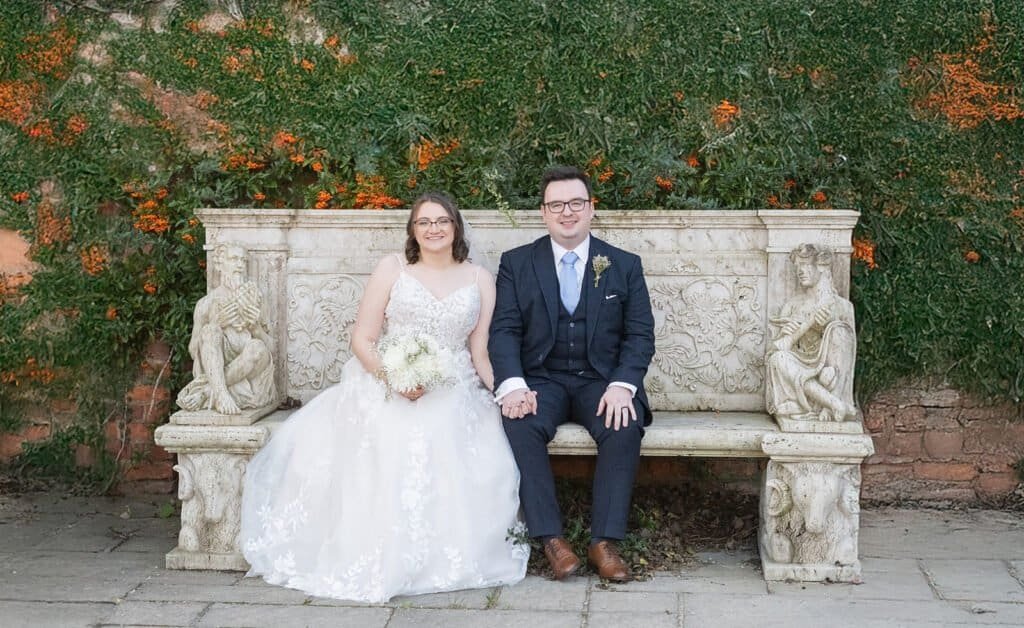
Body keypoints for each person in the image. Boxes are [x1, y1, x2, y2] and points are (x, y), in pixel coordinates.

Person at [240, 192, 528, 603]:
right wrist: (394, 379)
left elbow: (479, 350)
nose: (434, 229)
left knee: (452, 432)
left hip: (453, 385)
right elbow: (364, 338)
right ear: (413, 230)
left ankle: (442, 554)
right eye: (424, 222)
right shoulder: (392, 268)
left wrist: (505, 390)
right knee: (390, 434)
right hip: (387, 377)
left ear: (456, 227)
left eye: (442, 221)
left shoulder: (480, 278)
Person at [489, 166, 656, 582]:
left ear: (591, 209)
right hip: (541, 380)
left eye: (576, 203)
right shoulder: (517, 263)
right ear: (544, 212)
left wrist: (622, 386)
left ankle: (604, 541)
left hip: (600, 381)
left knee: (624, 424)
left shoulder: (623, 264)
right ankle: (551, 539)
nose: (567, 212)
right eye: (557, 204)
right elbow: (504, 330)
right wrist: (512, 385)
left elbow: (640, 334)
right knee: (520, 423)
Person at [176, 243, 276, 415]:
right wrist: (217, 323)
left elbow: (272, 348)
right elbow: (194, 350)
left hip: (252, 362)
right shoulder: (206, 303)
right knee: (210, 331)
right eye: (233, 259)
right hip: (221, 357)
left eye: (243, 261)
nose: (239, 265)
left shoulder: (257, 298)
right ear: (219, 264)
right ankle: (221, 395)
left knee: (257, 347)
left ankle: (207, 391)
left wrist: (257, 329)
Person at [765, 244, 857, 423]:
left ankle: (831, 401)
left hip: (829, 369)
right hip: (800, 364)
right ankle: (833, 403)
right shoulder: (792, 305)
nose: (800, 271)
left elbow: (849, 354)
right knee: (778, 359)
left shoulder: (842, 306)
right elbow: (774, 349)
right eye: (798, 266)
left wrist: (826, 326)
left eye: (806, 265)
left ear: (822, 268)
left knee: (840, 332)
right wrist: (785, 334)